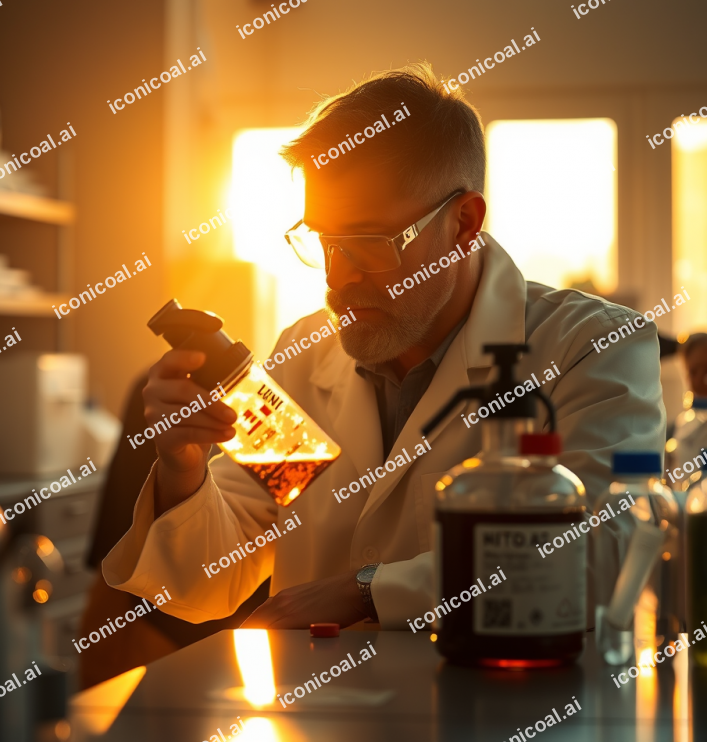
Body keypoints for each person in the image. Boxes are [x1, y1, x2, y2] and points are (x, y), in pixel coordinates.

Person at [103, 63, 664, 630]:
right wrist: (183, 468)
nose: (337, 276)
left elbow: (605, 556)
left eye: (369, 242)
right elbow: (205, 583)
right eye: (323, 239)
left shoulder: (588, 347)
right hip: (313, 689)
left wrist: (369, 593)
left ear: (463, 224)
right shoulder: (304, 355)